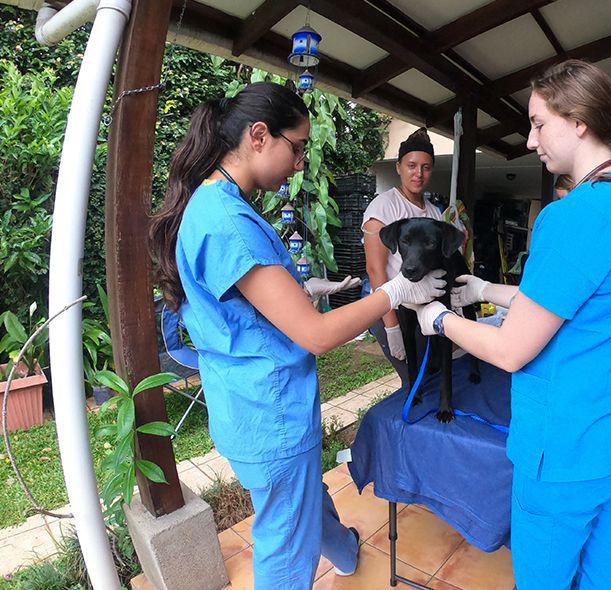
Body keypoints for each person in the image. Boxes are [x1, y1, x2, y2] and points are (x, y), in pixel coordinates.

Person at [148, 82, 446, 590]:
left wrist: (309, 285)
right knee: (287, 551)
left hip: (245, 403)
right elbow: (317, 335)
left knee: (303, 501)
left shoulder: (213, 203)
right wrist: (395, 292)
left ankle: (344, 549)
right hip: (271, 414)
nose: (301, 162)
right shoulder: (229, 221)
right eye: (299, 147)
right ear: (259, 136)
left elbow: (250, 297)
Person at [405, 60, 611, 590]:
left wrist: (435, 318)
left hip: (569, 451)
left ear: (578, 121)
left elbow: (510, 350)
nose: (530, 141)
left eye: (537, 123)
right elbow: (576, 302)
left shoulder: (575, 214)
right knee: (602, 566)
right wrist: (483, 290)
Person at [362, 127, 444, 387]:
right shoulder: (384, 207)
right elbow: (376, 270)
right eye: (411, 165)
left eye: (426, 167)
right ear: (398, 167)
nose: (418, 174)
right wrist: (391, 327)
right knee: (414, 383)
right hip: (393, 310)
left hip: (423, 310)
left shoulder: (434, 213)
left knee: (431, 376)